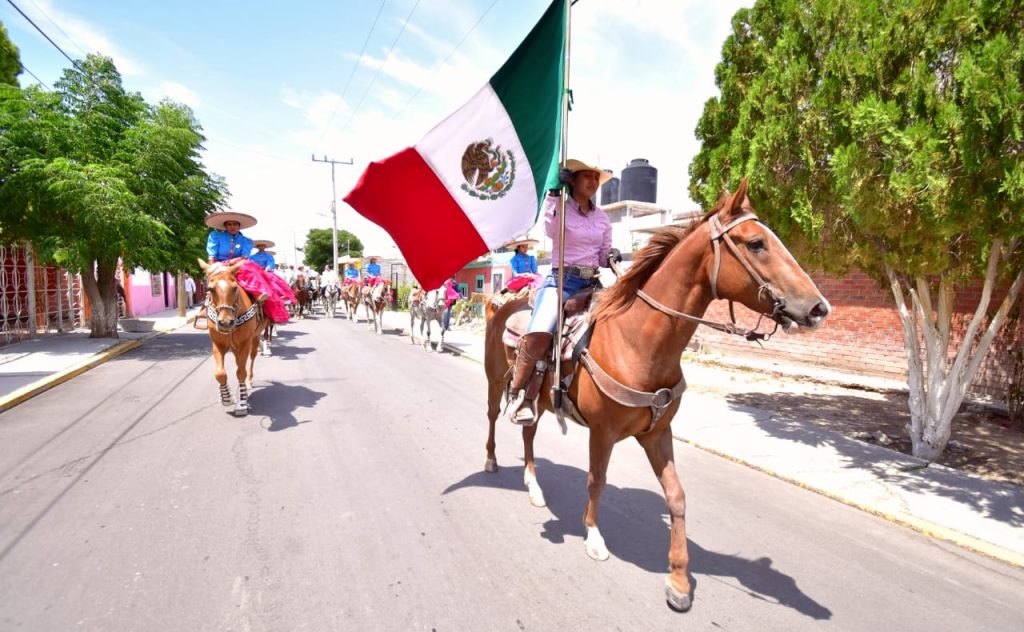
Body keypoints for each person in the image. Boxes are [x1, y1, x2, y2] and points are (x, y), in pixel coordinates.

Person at [506, 159, 621, 425]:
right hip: (561, 282)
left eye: (596, 177)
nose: (593, 182)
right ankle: (520, 394)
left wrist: (611, 255)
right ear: (573, 180)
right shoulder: (561, 208)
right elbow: (549, 229)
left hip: (592, 284)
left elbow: (603, 255)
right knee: (540, 331)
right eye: (587, 176)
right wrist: (554, 192)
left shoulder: (602, 218)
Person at [204, 211, 294, 323]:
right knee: (212, 279)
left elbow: (244, 257)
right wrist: (213, 268)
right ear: (225, 226)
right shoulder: (215, 236)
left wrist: (233, 262)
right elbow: (212, 256)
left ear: (239, 226)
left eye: (235, 224)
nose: (232, 227)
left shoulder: (246, 241)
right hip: (219, 265)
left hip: (238, 264)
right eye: (229, 224)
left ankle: (257, 295)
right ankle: (207, 303)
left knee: (251, 269)